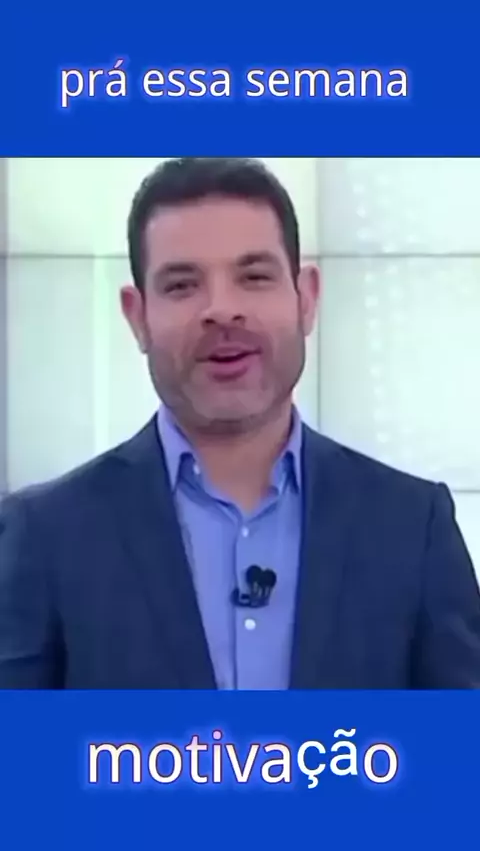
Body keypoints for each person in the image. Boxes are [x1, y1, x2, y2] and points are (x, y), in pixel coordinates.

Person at [1, 157, 480, 690]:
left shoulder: (413, 527)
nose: (222, 310)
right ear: (138, 317)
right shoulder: (44, 535)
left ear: (306, 300)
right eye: (182, 285)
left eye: (253, 277)